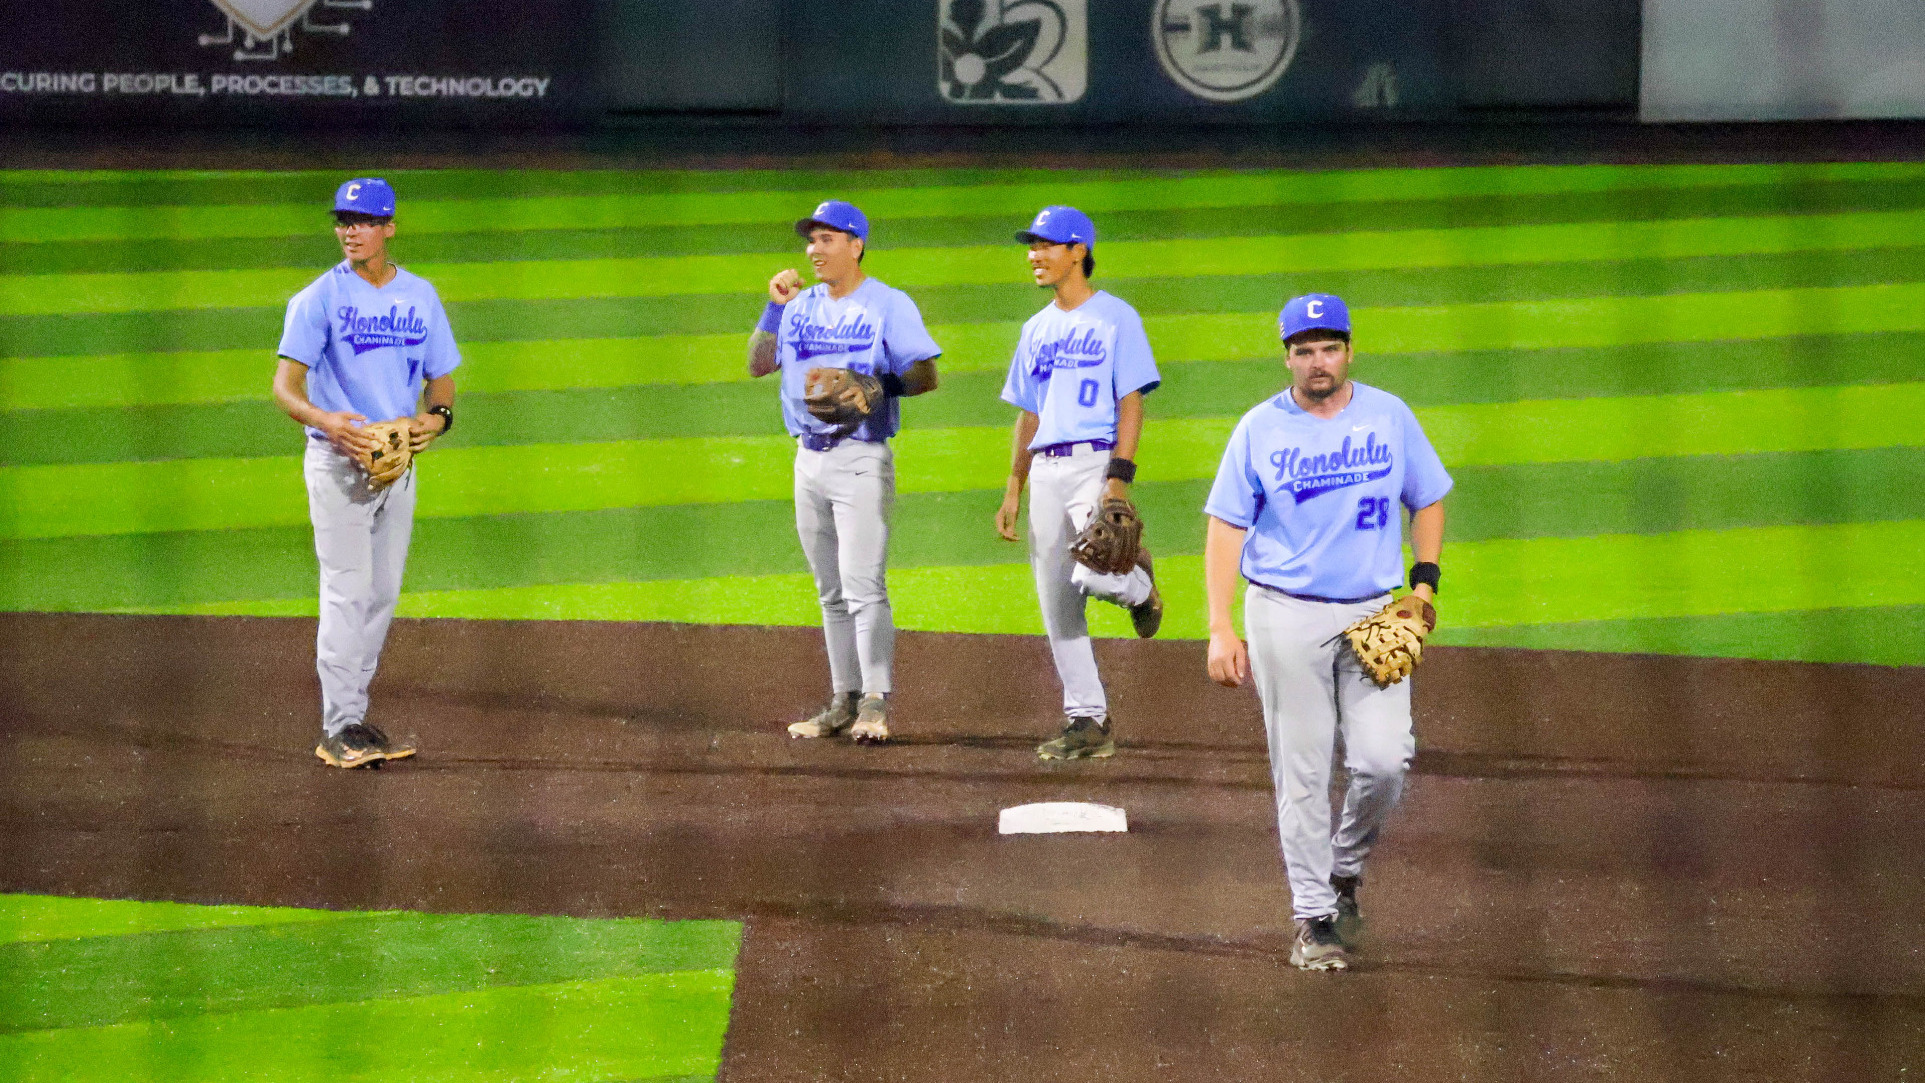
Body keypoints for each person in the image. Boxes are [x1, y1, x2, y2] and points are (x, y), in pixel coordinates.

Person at [1202, 293, 1451, 970]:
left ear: (1348, 349)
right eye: (1304, 350)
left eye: (1329, 348)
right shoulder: (1258, 428)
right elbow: (1226, 525)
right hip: (1284, 613)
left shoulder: (1388, 415)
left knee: (1382, 760)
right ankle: (1312, 916)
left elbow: (1426, 495)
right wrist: (1220, 625)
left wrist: (1422, 584)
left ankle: (1342, 867)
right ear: (1286, 356)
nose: (1318, 362)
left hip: (1373, 612)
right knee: (1303, 772)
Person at [271, 177, 460, 769]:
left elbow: (442, 377)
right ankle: (339, 726)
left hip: (399, 466)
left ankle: (355, 716)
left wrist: (439, 418)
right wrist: (329, 422)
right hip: (338, 464)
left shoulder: (421, 296)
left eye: (362, 220)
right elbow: (284, 388)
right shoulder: (317, 299)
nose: (349, 230)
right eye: (342, 220)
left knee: (381, 594)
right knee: (347, 591)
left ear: (389, 228)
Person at [747, 200, 941, 745]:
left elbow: (925, 374)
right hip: (807, 459)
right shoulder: (798, 305)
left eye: (827, 239)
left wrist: (879, 385)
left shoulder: (888, 304)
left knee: (863, 586)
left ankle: (875, 702)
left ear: (856, 245)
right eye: (810, 239)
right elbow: (759, 364)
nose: (814, 249)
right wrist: (772, 309)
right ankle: (842, 700)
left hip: (861, 457)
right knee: (829, 591)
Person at [994, 206, 1163, 762]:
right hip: (1044, 467)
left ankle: (1140, 585)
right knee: (1057, 600)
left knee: (1100, 574)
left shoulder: (1117, 317)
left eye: (1045, 245)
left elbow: (1130, 401)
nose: (1034, 255)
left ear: (1078, 251)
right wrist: (1014, 487)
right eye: (1031, 246)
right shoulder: (1035, 328)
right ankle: (1087, 718)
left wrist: (1119, 478)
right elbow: (1029, 414)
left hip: (1095, 462)